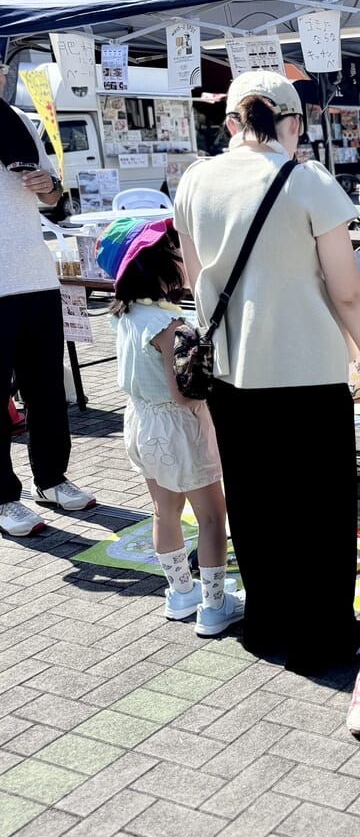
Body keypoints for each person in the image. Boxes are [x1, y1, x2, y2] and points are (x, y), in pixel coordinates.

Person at [174, 70, 360, 674]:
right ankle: (324, 637)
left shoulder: (195, 180)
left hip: (231, 373)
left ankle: (266, 625)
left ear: (234, 121)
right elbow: (348, 294)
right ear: (292, 122)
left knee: (255, 500)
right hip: (307, 373)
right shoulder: (308, 181)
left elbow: (197, 284)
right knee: (318, 510)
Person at [97, 217, 244, 636]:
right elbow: (186, 394)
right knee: (213, 518)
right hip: (179, 428)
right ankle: (215, 606)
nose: (183, 259)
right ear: (156, 266)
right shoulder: (170, 326)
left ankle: (182, 593)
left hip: (141, 422)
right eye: (176, 253)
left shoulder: (125, 315)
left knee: (165, 510)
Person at [0, 94, 96, 538]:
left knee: (46, 393)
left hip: (36, 277)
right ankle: (3, 498)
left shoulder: (19, 119)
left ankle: (52, 479)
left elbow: (56, 199)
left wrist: (49, 188)